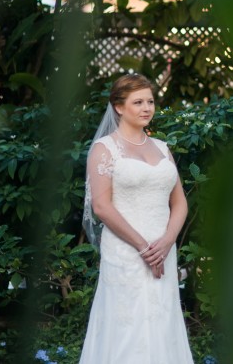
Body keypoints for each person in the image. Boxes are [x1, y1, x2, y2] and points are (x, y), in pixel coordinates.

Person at [79, 74, 194, 363]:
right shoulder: (105, 149)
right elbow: (102, 207)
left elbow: (179, 202)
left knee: (162, 319)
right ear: (119, 107)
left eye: (150, 101)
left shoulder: (162, 147)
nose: (147, 108)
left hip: (163, 250)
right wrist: (144, 248)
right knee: (128, 325)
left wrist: (166, 242)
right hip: (126, 252)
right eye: (138, 102)